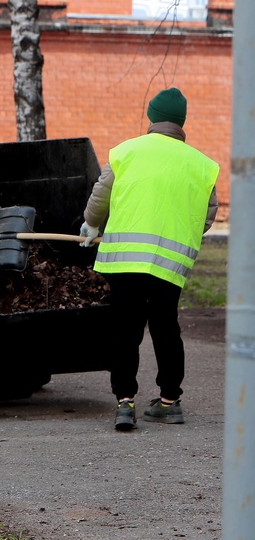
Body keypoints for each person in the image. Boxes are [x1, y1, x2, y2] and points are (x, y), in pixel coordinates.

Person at [80, 88, 219, 431]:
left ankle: (125, 402)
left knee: (126, 329)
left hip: (125, 260)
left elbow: (102, 194)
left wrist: (91, 222)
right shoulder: (202, 165)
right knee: (165, 326)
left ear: (152, 117)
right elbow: (208, 213)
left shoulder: (127, 152)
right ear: (181, 122)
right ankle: (170, 401)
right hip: (170, 264)